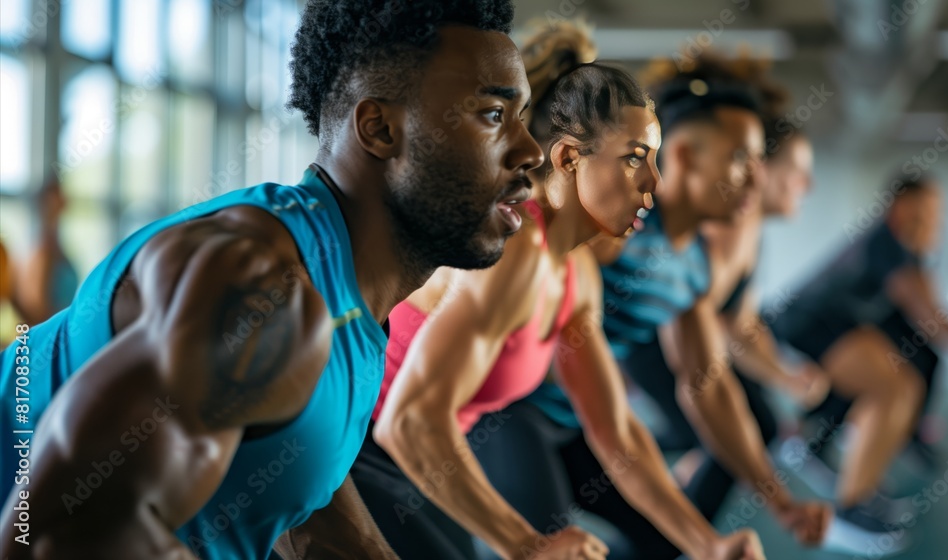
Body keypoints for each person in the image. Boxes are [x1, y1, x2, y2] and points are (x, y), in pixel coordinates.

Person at [0, 2, 544, 558]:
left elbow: (293, 480)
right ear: (380, 129)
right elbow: (53, 538)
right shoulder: (257, 288)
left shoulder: (343, 297)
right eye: (494, 116)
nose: (531, 151)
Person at [354, 23, 766, 560]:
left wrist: (706, 545)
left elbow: (617, 432)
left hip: (406, 464)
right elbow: (408, 422)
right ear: (570, 159)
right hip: (352, 449)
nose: (654, 183)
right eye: (636, 157)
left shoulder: (577, 276)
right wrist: (529, 545)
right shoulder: (514, 252)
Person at [510, 56, 832, 553]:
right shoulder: (608, 226)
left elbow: (708, 389)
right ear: (683, 157)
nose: (755, 179)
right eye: (742, 160)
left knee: (665, 540)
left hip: (575, 422)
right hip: (508, 413)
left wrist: (780, 502)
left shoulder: (694, 267)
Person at [618, 55, 830, 526]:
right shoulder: (675, 236)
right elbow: (713, 342)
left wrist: (781, 506)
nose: (805, 185)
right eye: (742, 161)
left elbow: (728, 342)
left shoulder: (695, 254)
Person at [770, 171, 948, 553]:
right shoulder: (886, 240)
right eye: (928, 207)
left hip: (841, 324)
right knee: (892, 386)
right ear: (901, 207)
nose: (935, 216)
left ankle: (856, 482)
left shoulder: (906, 245)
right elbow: (922, 307)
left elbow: (923, 299)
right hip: (812, 323)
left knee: (904, 382)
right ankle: (847, 509)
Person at [16, 176, 80, 325]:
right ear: (47, 203)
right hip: (51, 335)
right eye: (58, 196)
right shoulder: (42, 250)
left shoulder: (54, 244)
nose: (64, 200)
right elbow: (36, 308)